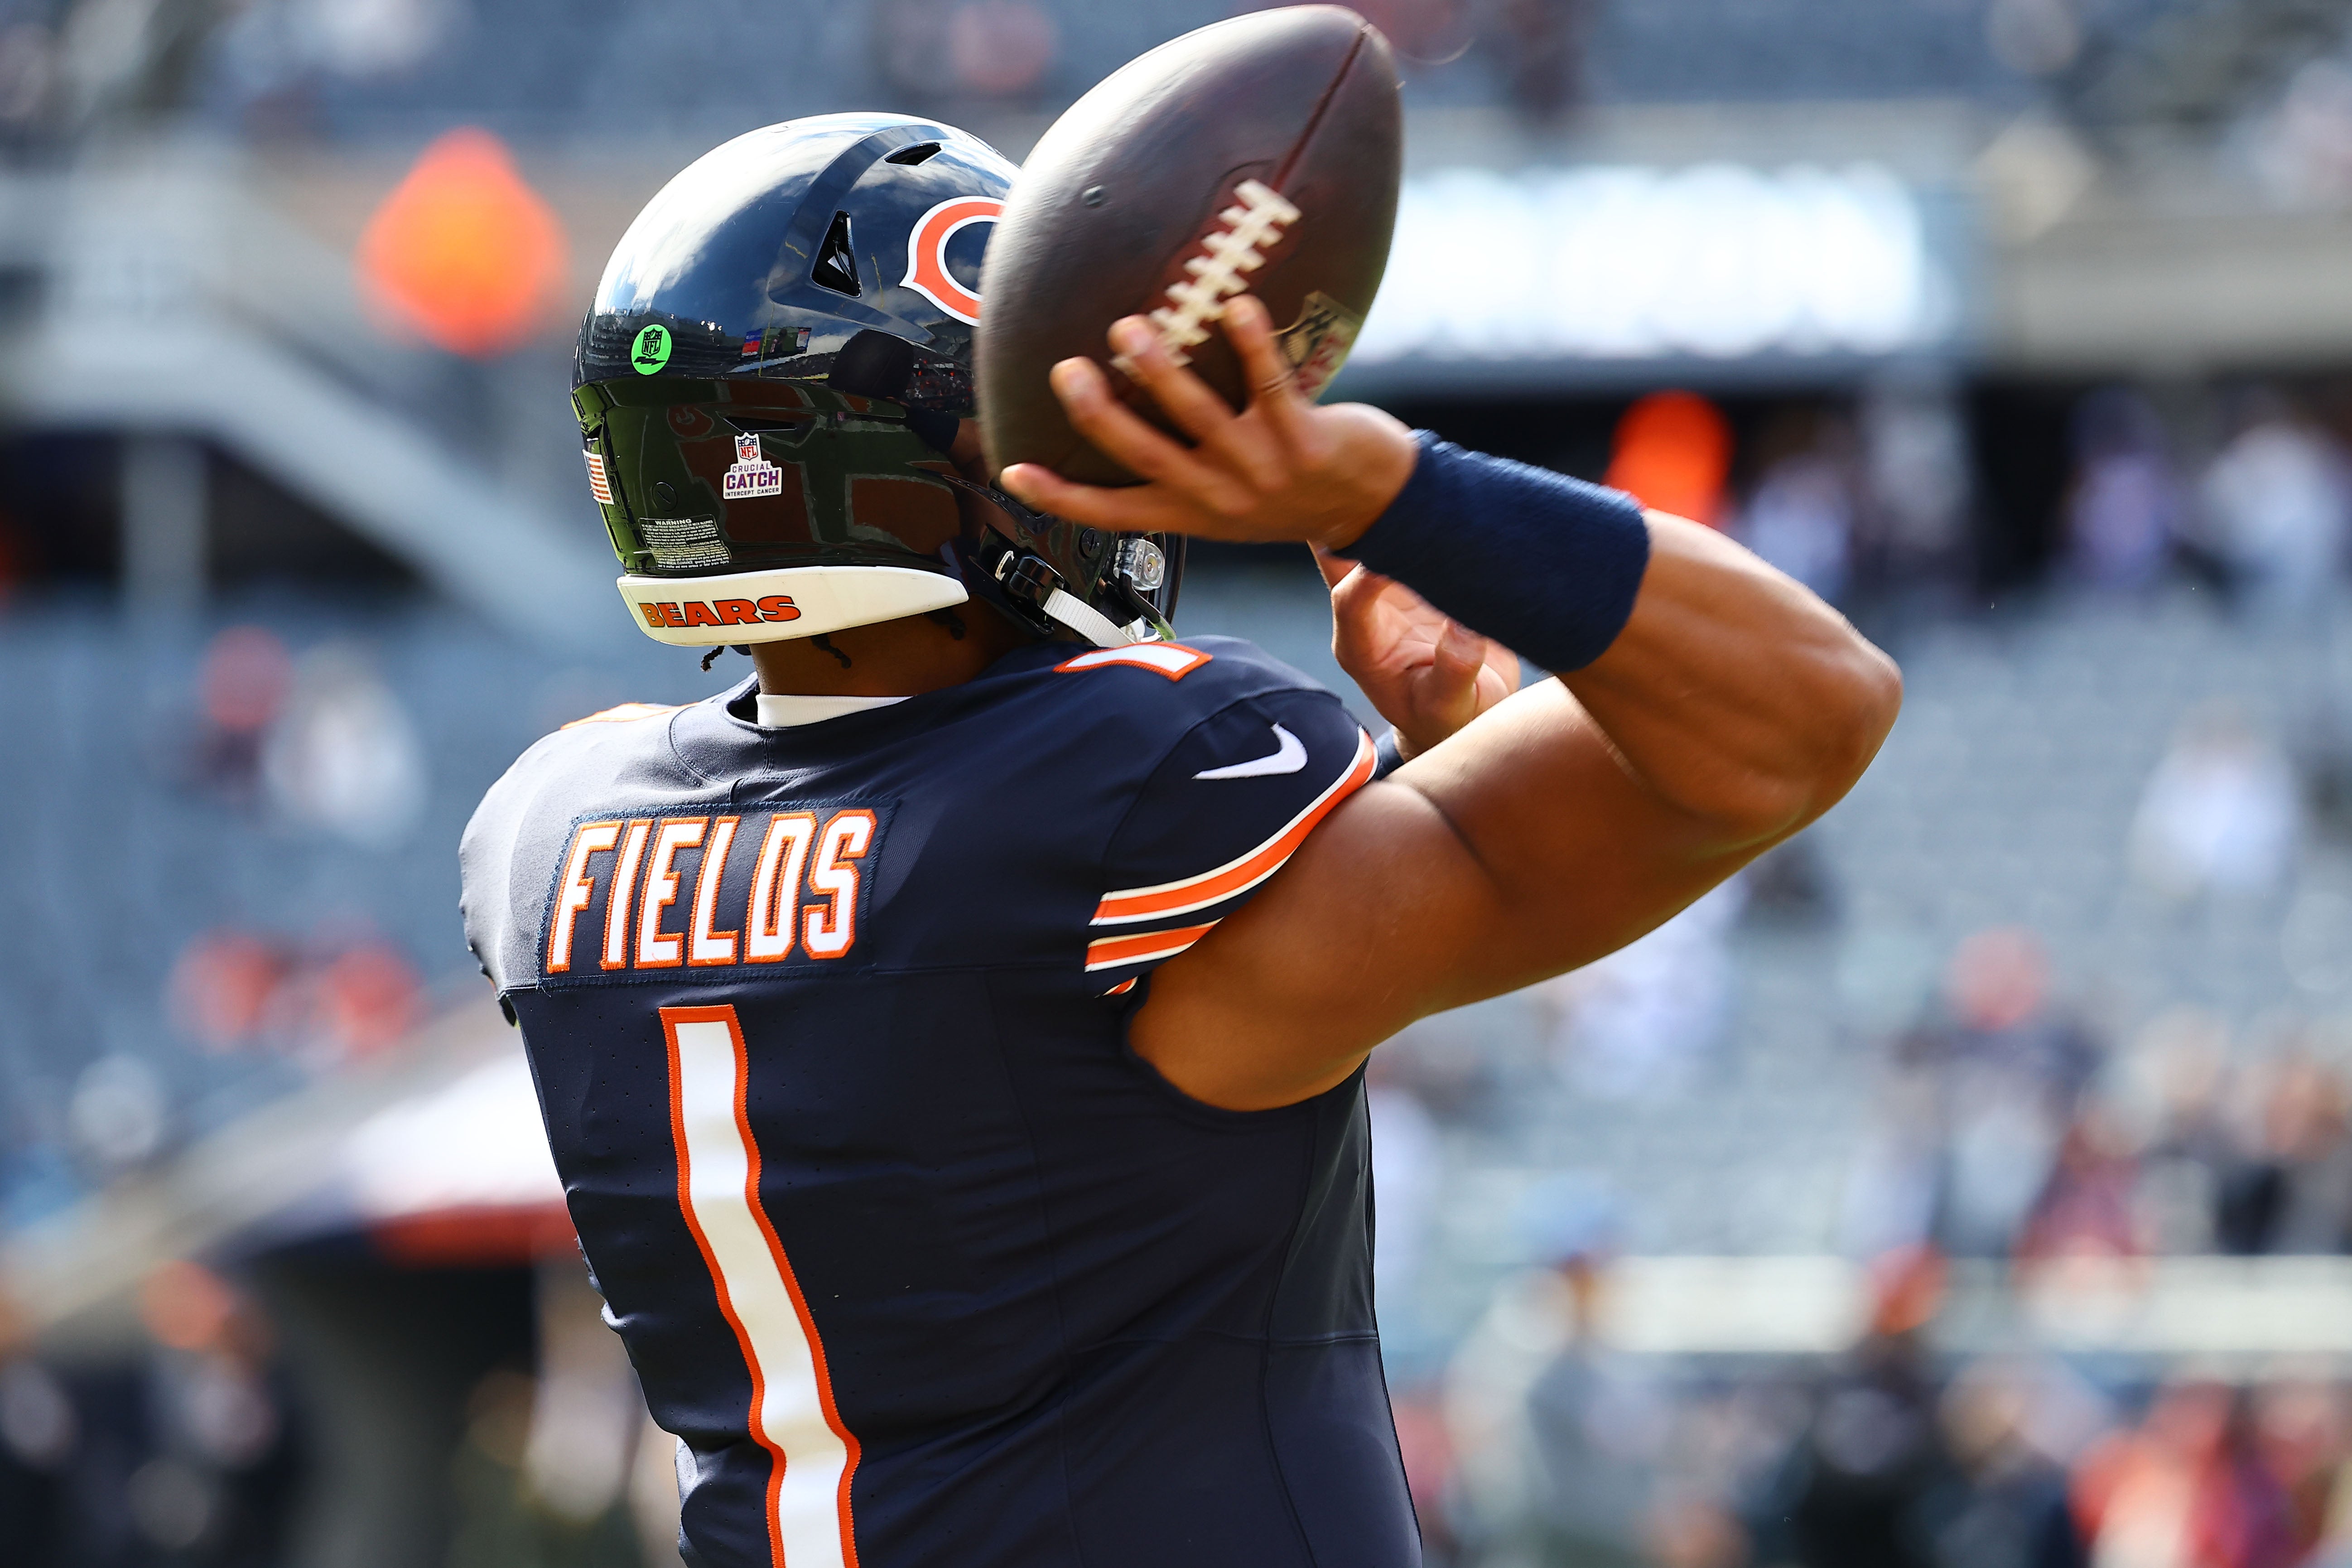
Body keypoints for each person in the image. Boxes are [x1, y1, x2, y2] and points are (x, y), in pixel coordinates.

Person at [459, 113, 1901, 1568]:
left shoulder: (550, 836)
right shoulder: (1123, 785)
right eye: (1028, 421)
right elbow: (1809, 705)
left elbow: (950, 1027)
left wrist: (1439, 765)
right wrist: (1388, 488)